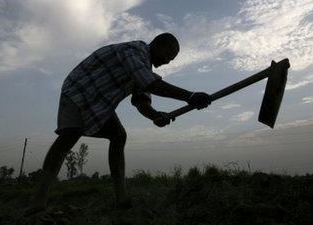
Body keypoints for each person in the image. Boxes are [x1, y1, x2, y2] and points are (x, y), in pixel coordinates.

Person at [24, 32, 210, 215]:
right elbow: (150, 84)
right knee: (69, 135)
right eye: (168, 56)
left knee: (118, 136)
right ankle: (38, 201)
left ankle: (121, 198)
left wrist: (155, 115)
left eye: (171, 60)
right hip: (78, 91)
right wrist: (190, 96)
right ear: (158, 45)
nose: (167, 62)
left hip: (100, 102)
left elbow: (141, 101)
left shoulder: (144, 67)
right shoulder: (133, 51)